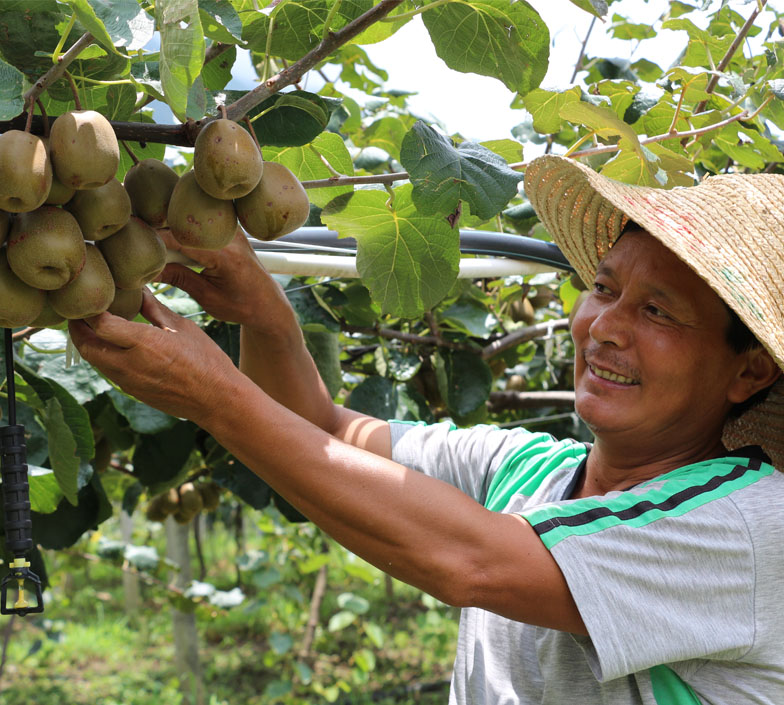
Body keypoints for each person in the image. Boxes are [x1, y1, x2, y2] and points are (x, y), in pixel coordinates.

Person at [70, 155, 784, 704]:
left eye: (658, 312)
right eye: (603, 288)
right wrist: (265, 315)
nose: (604, 327)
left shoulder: (752, 526)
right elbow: (324, 431)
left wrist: (215, 396)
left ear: (748, 372)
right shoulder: (527, 469)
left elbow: (468, 560)